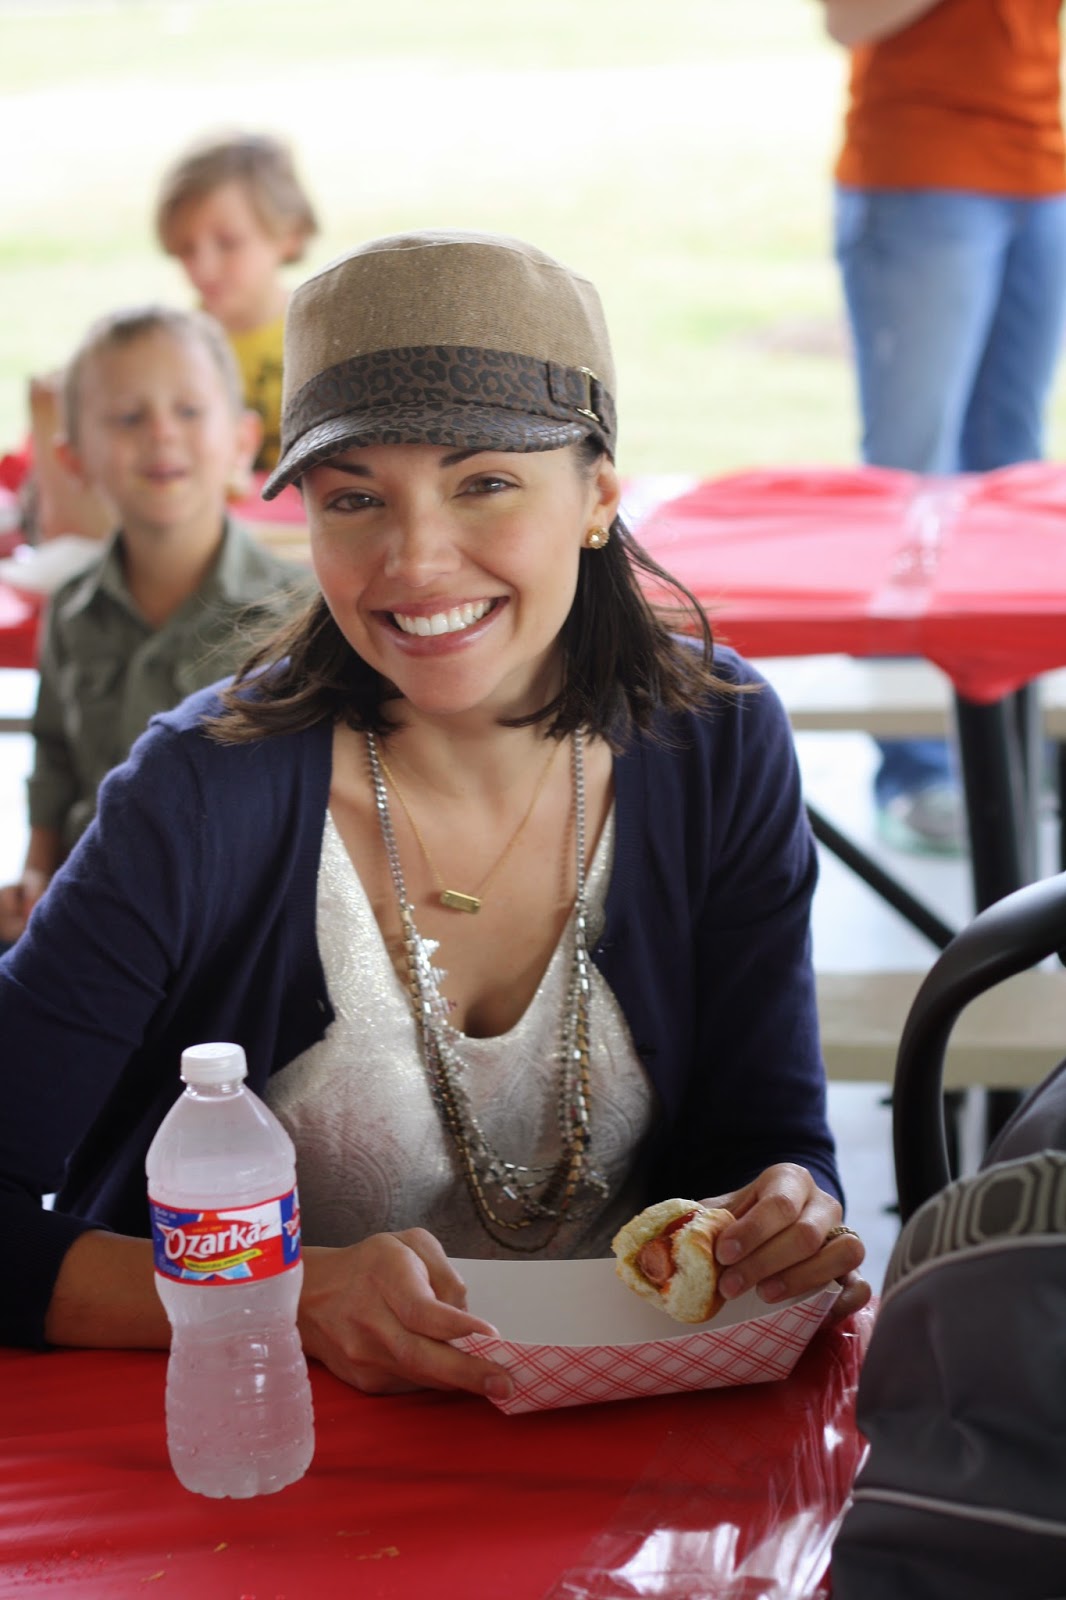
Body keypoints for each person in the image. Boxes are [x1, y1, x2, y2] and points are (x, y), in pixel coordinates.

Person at [0, 231, 869, 1401]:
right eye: (355, 497)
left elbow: (770, 1138)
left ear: (598, 495)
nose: (414, 560)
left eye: (483, 483)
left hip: (629, 1437)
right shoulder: (199, 793)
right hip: (260, 1453)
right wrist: (288, 1294)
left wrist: (785, 1212)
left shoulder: (716, 742)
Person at [822, 0, 1066, 854]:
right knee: (912, 477)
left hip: (1041, 165)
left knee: (1014, 475)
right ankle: (917, 767)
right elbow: (847, 19)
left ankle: (1018, 746)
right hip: (923, 171)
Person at [0, 305, 311, 945]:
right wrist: (35, 874)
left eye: (189, 411)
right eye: (128, 417)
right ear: (74, 459)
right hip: (89, 913)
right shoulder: (71, 610)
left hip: (236, 928)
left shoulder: (298, 614)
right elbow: (54, 757)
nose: (162, 434)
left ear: (242, 442)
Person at [155, 130, 319, 474]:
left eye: (228, 243)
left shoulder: (323, 336)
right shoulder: (176, 350)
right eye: (185, 249)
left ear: (289, 235)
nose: (203, 267)